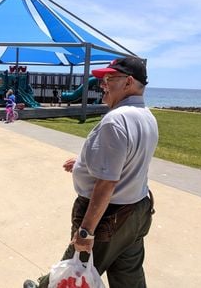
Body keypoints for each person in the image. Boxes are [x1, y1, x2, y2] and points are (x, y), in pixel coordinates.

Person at [24, 57, 159, 288]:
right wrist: (85, 162)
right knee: (129, 275)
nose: (102, 84)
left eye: (109, 79)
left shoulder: (115, 120)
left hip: (110, 216)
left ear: (128, 82)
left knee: (73, 269)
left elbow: (106, 183)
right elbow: (127, 158)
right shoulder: (147, 116)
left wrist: (85, 232)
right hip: (138, 210)